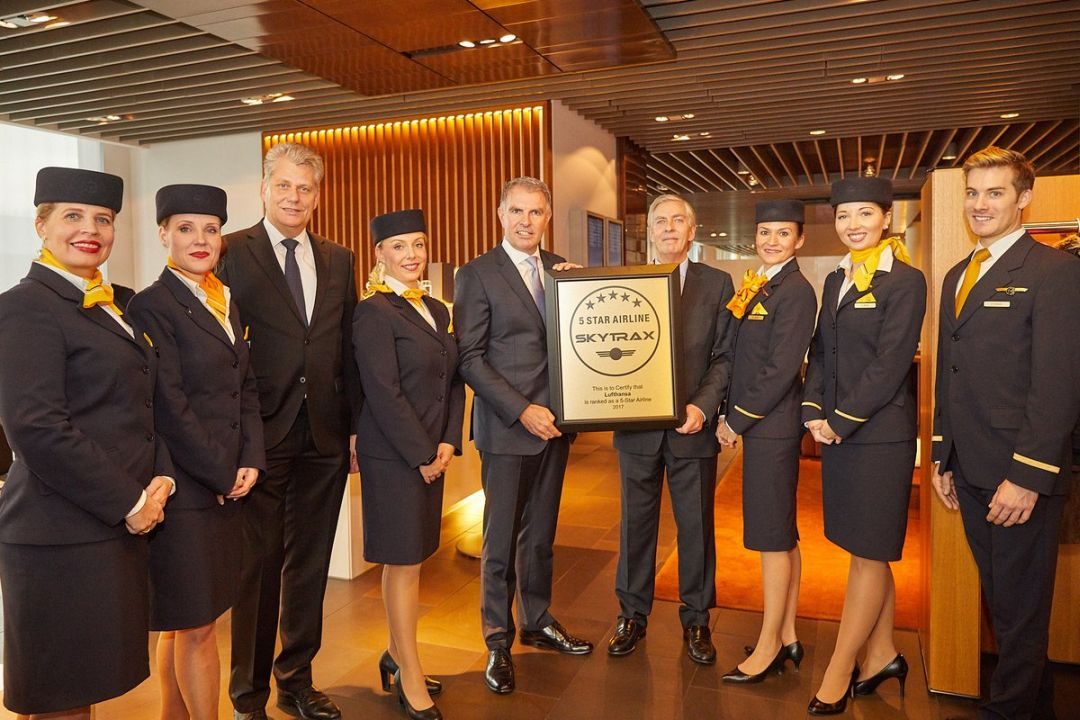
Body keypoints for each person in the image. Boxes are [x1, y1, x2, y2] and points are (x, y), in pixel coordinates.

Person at [0, 167, 174, 718]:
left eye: (103, 219)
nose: (90, 230)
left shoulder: (109, 303)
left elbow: (139, 404)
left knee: (81, 689)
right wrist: (130, 502)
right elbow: (36, 427)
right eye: (72, 216)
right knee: (61, 699)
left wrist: (160, 478)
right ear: (41, 225)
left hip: (99, 528)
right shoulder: (25, 305)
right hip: (57, 533)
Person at [931, 146, 1080, 720]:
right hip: (968, 467)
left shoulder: (1055, 272)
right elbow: (950, 370)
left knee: (1021, 609)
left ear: (1023, 198)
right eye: (973, 193)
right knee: (1005, 600)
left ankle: (1009, 711)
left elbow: (1059, 384)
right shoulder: (958, 274)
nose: (980, 204)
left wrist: (1028, 477)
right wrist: (942, 454)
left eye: (995, 192)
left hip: (1019, 473)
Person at [219, 143, 362, 720]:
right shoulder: (231, 252)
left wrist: (354, 427)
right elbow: (222, 351)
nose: (294, 197)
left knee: (310, 563)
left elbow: (347, 348)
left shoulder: (340, 259)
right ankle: (247, 696)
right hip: (261, 437)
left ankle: (296, 680)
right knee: (257, 569)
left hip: (325, 435)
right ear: (263, 189)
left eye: (305, 188)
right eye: (284, 185)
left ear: (318, 196)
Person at [127, 184, 266, 720]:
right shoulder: (151, 305)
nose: (200, 240)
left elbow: (244, 385)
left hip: (226, 480)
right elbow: (169, 404)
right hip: (186, 485)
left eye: (211, 229)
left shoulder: (224, 298)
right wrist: (221, 471)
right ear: (163, 234)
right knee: (198, 624)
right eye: (185, 229)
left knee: (185, 620)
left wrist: (251, 456)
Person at [454, 177, 592, 695]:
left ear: (547, 217)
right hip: (508, 427)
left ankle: (536, 620)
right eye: (516, 211)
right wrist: (521, 410)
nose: (525, 221)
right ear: (500, 214)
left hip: (556, 427)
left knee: (540, 535)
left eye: (535, 212)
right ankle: (497, 639)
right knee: (499, 540)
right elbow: (470, 358)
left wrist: (582, 293)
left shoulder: (560, 270)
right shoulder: (476, 274)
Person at [802, 176, 926, 715]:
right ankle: (882, 653)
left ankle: (839, 666)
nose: (853, 225)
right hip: (839, 432)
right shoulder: (837, 277)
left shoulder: (907, 281)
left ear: (886, 217)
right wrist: (813, 410)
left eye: (865, 214)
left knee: (870, 554)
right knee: (864, 549)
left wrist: (839, 421)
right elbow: (822, 352)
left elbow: (890, 364)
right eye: (843, 215)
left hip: (879, 435)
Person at [607, 193, 735, 665]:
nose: (667, 228)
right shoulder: (623, 282)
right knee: (635, 526)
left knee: (695, 527)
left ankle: (697, 619)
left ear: (691, 231)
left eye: (677, 221)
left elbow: (725, 356)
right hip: (637, 428)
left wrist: (703, 406)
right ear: (651, 232)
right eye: (659, 221)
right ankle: (631, 615)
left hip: (692, 428)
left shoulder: (717, 284)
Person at [352, 209, 464, 720]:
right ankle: (410, 673)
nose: (412, 254)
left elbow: (452, 380)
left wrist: (448, 442)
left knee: (413, 558)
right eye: (399, 246)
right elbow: (382, 391)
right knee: (401, 562)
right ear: (379, 254)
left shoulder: (436, 309)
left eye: (418, 243)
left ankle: (396, 656)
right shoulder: (373, 311)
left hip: (430, 451)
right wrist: (421, 453)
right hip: (394, 456)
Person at [716, 199, 817, 683]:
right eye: (764, 232)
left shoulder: (795, 291)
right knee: (781, 533)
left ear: (800, 239)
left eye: (783, 233)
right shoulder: (762, 283)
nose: (771, 241)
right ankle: (788, 632)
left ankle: (770, 644)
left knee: (770, 537)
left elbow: (779, 370)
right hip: (765, 426)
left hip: (771, 426)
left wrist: (734, 421)